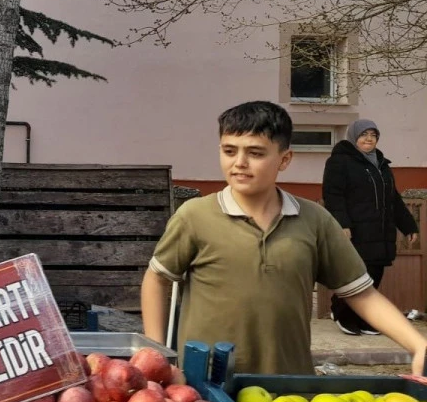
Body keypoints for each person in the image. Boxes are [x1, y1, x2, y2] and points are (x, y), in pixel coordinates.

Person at [140, 101, 427, 375]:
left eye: (255, 153)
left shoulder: (315, 221)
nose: (239, 163)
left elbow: (361, 293)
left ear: (285, 159)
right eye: (229, 151)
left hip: (289, 388)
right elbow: (157, 278)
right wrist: (160, 356)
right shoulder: (195, 216)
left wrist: (418, 345)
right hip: (206, 389)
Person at [323, 119, 420, 335]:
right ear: (353, 137)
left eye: (373, 135)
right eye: (364, 134)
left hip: (381, 232)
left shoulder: (382, 165)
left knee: (374, 275)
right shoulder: (340, 162)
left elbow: (393, 199)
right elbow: (333, 195)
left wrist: (409, 226)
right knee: (356, 274)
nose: (368, 139)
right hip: (356, 231)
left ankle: (363, 317)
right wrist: (343, 224)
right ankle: (341, 312)